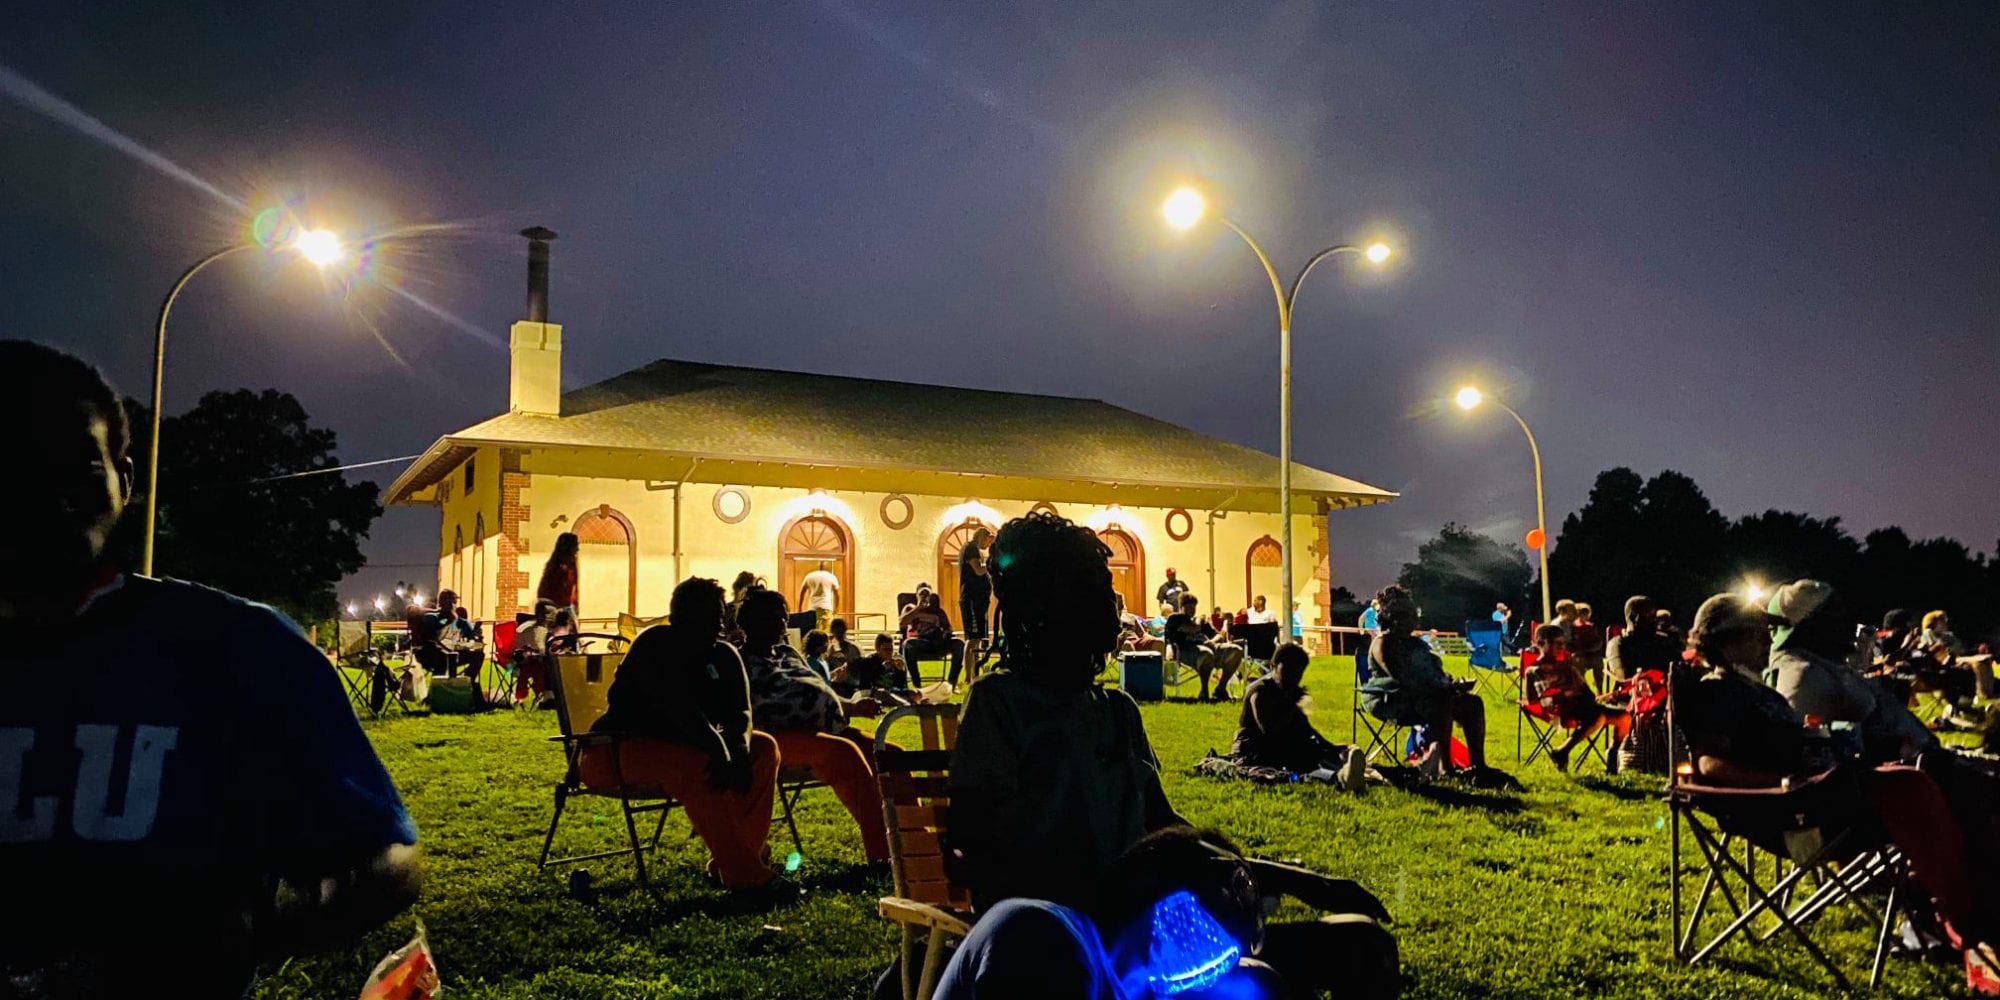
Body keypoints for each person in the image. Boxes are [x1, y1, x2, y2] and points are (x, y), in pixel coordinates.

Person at [0, 341, 420, 995]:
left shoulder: (234, 646)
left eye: (77, 463)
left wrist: (246, 928)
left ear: (125, 481)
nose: (45, 492)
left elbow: (384, 855)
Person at [946, 511, 1397, 998]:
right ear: (1050, 604)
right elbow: (970, 851)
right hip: (1054, 948)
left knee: (1361, 943)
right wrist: (1098, 896)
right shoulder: (1000, 704)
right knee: (1264, 984)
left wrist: (1304, 880)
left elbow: (1171, 837)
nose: (1113, 603)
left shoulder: (1116, 711)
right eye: (1095, 589)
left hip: (1146, 942)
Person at [1677, 593, 2000, 993]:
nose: (1768, 641)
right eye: (1758, 634)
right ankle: (1967, 926)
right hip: (1794, 810)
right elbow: (1709, 766)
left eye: (1768, 632)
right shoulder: (1717, 692)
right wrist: (1780, 784)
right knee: (1917, 785)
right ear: (1727, 642)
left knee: (1955, 778)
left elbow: (1806, 740)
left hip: (1827, 788)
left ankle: (1973, 915)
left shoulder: (1761, 692)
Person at [936, 826, 1397, 1000]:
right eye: (1194, 932)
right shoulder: (1038, 935)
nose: (1200, 966)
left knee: (1260, 986)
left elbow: (1185, 844)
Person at [586, 577, 796, 900]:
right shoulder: (655, 644)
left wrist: (738, 746)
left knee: (764, 749)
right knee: (696, 763)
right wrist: (718, 747)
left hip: (689, 750)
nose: (714, 625)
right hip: (612, 751)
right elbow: (676, 705)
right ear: (678, 618)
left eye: (717, 616)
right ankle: (747, 877)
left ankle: (736, 861)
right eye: (705, 617)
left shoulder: (724, 655)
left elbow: (741, 712)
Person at [736, 587, 890, 864]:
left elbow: (818, 688)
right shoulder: (739, 660)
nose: (780, 625)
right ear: (748, 622)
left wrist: (852, 707)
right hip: (778, 738)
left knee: (891, 755)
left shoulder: (786, 652)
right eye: (771, 618)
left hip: (826, 729)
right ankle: (883, 852)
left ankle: (916, 837)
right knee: (846, 755)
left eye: (783, 618)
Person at [1763, 579, 1936, 765]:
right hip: (1900, 781)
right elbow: (1809, 758)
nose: (1849, 622)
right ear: (1808, 627)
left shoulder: (1821, 663)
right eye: (1835, 614)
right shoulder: (1805, 678)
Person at [1360, 585, 1510, 786]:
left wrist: (1451, 683)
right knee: (1441, 701)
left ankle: (1478, 766)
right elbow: (1400, 676)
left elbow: (1435, 674)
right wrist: (1440, 688)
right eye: (1407, 615)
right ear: (1392, 618)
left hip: (1426, 697)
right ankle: (1445, 766)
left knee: (1472, 703)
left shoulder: (1417, 644)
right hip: (1390, 698)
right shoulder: (1383, 643)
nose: (1413, 620)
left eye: (1413, 615)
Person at [1229, 642, 1368, 788]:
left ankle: (1349, 770)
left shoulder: (1289, 693)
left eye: (1298, 672)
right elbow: (1269, 730)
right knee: (1299, 761)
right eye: (1288, 670)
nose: (1293, 677)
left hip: (1283, 746)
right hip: (1256, 750)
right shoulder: (1260, 693)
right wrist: (1291, 705)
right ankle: (1337, 778)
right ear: (1273, 666)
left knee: (1315, 752)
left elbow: (1305, 729)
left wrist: (1333, 749)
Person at [1524, 625, 1629, 773]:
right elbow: (1532, 701)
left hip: (1584, 706)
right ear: (1541, 643)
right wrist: (1558, 695)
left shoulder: (1567, 667)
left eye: (1564, 643)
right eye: (1557, 644)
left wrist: (1600, 694)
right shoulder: (1533, 671)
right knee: (1598, 717)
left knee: (1625, 717)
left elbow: (1586, 692)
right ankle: (1563, 750)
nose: (1562, 647)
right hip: (1563, 710)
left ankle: (1613, 752)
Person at [1166, 593, 1244, 703]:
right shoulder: (1175, 619)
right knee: (1206, 654)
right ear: (1181, 607)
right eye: (1189, 606)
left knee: (1236, 650)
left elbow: (1218, 635)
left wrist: (1212, 641)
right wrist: (1198, 621)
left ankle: (1221, 688)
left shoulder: (1201, 620)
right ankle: (1204, 690)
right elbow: (1191, 629)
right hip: (1186, 651)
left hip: (1209, 648)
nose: (1192, 609)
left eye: (1194, 606)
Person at [412, 589, 486, 681]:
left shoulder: (461, 622)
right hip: (431, 655)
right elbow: (434, 638)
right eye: (450, 602)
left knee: (478, 656)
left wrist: (476, 635)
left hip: (454, 653)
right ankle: (438, 689)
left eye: (455, 602)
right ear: (441, 603)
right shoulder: (431, 618)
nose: (453, 605)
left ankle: (465, 683)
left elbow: (472, 639)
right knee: (442, 657)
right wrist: (448, 622)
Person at [1606, 595, 1679, 683]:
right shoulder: (1619, 644)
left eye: (1654, 615)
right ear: (1633, 617)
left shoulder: (1664, 640)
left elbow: (1677, 670)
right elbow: (1623, 679)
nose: (1655, 620)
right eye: (1649, 615)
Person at [900, 589, 963, 686]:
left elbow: (948, 629)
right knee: (908, 645)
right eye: (922, 594)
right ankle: (917, 684)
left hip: (938, 642)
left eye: (927, 595)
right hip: (921, 642)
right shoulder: (911, 609)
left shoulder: (938, 611)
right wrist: (917, 608)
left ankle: (951, 683)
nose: (924, 597)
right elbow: (902, 623)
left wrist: (945, 634)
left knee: (959, 643)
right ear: (917, 596)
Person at [832, 633, 913, 702]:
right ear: (877, 649)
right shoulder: (869, 662)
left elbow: (902, 686)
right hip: (873, 693)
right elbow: (866, 686)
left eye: (891, 649)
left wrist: (901, 671)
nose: (889, 652)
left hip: (892, 691)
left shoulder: (897, 661)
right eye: (885, 649)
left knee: (913, 693)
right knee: (882, 693)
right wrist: (882, 668)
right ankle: (905, 704)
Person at [959, 526, 994, 680]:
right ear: (983, 537)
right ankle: (968, 675)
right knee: (972, 639)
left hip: (979, 600)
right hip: (972, 599)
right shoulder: (971, 549)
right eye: (988, 541)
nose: (988, 545)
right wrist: (992, 564)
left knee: (978, 638)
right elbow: (978, 570)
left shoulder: (974, 549)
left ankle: (975, 673)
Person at [511, 598, 562, 704]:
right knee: (549, 665)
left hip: (532, 662)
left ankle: (549, 696)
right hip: (533, 664)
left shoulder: (545, 631)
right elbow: (538, 648)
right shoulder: (534, 631)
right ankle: (548, 696)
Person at [537, 532, 580, 614]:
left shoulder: (570, 564)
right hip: (553, 606)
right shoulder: (558, 566)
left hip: (564, 606)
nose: (577, 549)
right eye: (575, 545)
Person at [1568, 602, 1606, 688]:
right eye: (1582, 614)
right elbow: (1571, 642)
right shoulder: (1573, 627)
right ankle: (1582, 687)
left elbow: (1598, 640)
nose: (1584, 616)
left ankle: (1599, 688)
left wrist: (1595, 647)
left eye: (1586, 614)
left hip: (1591, 653)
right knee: (1579, 663)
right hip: (1579, 653)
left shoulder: (1591, 626)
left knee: (1598, 662)